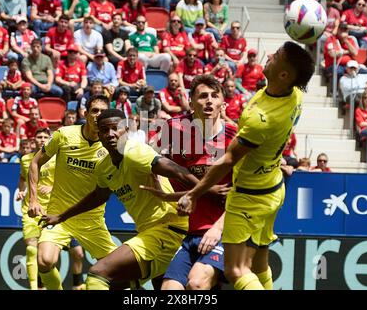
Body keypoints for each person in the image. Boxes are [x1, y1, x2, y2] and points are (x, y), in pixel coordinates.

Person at [176, 41, 315, 290]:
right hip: (273, 187)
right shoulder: (295, 94)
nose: (270, 56)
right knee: (260, 265)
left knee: (237, 268)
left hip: (249, 196)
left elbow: (228, 160)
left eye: (276, 57)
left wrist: (193, 193)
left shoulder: (260, 119)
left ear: (284, 74)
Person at [41, 108, 219, 290]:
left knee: (98, 273)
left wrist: (210, 190)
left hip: (167, 229)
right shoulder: (104, 167)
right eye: (104, 130)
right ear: (99, 134)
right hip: (149, 233)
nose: (110, 134)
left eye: (115, 128)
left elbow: (178, 171)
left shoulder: (136, 153)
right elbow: (98, 196)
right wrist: (62, 216)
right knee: (116, 286)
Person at [150, 74, 236, 290]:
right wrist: (163, 188)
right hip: (189, 232)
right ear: (191, 102)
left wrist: (218, 229)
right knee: (170, 289)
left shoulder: (235, 139)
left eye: (214, 96)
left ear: (222, 104)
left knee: (196, 284)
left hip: (225, 232)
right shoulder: (174, 129)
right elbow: (149, 158)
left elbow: (245, 194)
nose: (209, 100)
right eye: (203, 96)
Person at [27, 95, 118, 290]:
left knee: (119, 272)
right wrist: (33, 199)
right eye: (94, 111)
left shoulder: (112, 145)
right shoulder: (64, 135)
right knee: (44, 260)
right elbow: (35, 162)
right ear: (85, 114)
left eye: (103, 112)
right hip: (57, 216)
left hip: (92, 221)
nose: (98, 116)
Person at [17, 127, 54, 290]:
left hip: (51, 210)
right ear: (34, 140)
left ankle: (43, 285)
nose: (42, 139)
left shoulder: (56, 159)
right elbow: (23, 178)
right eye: (39, 137)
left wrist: (52, 187)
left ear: (50, 139)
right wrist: (21, 190)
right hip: (30, 209)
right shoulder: (25, 159)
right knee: (32, 248)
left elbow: (66, 181)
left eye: (45, 137)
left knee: (46, 255)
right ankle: (33, 288)